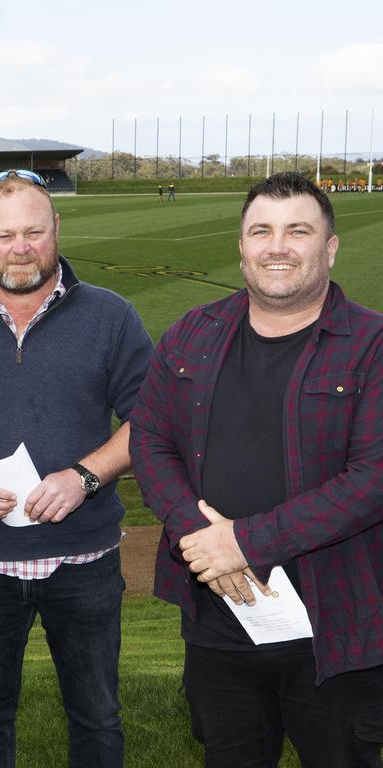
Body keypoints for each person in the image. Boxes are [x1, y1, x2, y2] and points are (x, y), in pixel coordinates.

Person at [129, 172, 383, 767]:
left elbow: (374, 477)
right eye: (261, 231)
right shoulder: (193, 333)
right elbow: (150, 440)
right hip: (220, 620)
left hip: (337, 626)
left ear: (330, 247)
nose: (277, 246)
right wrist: (197, 536)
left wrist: (245, 542)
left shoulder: (372, 344)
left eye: (298, 230)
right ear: (241, 246)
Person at [0, 169, 153, 767]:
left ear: (57, 230)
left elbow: (151, 419)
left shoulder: (111, 316)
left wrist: (85, 477)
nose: (21, 248)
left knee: (96, 715)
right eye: (5, 234)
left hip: (85, 559)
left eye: (34, 232)